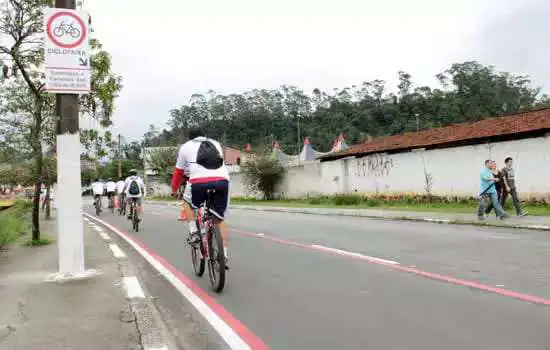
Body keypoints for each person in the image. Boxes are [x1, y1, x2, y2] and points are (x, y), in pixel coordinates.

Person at [171, 127, 230, 268]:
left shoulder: (185, 147)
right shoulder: (216, 144)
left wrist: (174, 189)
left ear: (189, 137)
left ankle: (194, 232)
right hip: (222, 181)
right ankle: (224, 255)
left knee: (187, 202)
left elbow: (178, 172)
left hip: (198, 182)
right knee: (219, 219)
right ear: (204, 135)